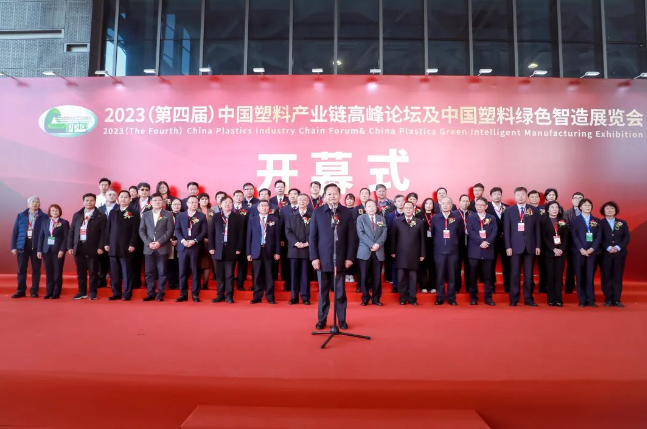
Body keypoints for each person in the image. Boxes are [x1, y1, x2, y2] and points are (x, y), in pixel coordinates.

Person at [310, 184, 357, 330]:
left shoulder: (346, 212)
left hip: (341, 258)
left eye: (335, 194)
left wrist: (349, 257)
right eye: (329, 194)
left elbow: (352, 237)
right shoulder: (318, 212)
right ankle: (322, 319)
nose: (332, 196)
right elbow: (312, 237)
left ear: (340, 195)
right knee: (323, 292)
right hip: (322, 259)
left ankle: (341, 319)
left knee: (340, 292)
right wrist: (314, 258)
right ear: (324, 196)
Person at [505, 187, 541, 307]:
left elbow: (537, 229)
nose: (520, 197)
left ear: (526, 196)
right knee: (514, 274)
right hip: (514, 247)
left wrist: (538, 245)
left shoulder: (533, 210)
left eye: (522, 195)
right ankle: (514, 299)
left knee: (529, 275)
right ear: (515, 196)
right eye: (518, 195)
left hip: (530, 246)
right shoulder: (509, 211)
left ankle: (528, 299)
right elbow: (507, 230)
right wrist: (508, 246)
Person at [67, 193, 107, 300]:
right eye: (87, 200)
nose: (89, 202)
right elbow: (71, 231)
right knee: (80, 272)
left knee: (93, 271)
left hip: (93, 247)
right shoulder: (77, 215)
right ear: (83, 202)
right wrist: (70, 246)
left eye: (91, 200)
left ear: (95, 202)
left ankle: (93, 292)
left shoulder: (101, 215)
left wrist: (100, 247)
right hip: (79, 246)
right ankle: (82, 292)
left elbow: (104, 233)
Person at [209, 196, 245, 303]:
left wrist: (238, 248)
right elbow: (211, 233)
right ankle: (220, 295)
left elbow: (241, 234)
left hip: (231, 249)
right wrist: (211, 247)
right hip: (218, 249)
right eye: (225, 202)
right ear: (220, 204)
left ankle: (229, 296)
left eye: (229, 202)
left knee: (229, 275)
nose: (227, 204)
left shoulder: (237, 217)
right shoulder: (216, 216)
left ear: (232, 204)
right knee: (219, 274)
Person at [105, 190, 139, 301]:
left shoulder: (134, 212)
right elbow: (108, 229)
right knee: (114, 272)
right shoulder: (113, 212)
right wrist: (106, 243)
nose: (123, 199)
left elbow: (135, 231)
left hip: (126, 246)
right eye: (121, 197)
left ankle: (127, 293)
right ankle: (116, 292)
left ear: (130, 199)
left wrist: (132, 244)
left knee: (126, 271)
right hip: (113, 246)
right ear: (118, 199)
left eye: (126, 197)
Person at [139, 193, 174, 301]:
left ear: (163, 202)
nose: (157, 202)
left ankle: (160, 293)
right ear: (150, 202)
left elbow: (170, 230)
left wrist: (159, 242)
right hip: (149, 248)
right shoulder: (145, 214)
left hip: (162, 247)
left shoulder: (168, 214)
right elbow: (141, 230)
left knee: (162, 272)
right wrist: (148, 243)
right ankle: (150, 293)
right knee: (149, 272)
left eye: (159, 200)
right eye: (155, 200)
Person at [390, 201, 426, 305]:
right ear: (403, 209)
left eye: (410, 208)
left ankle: (412, 298)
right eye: (406, 208)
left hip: (415, 254)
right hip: (400, 254)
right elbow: (393, 238)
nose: (408, 210)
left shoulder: (419, 222)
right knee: (401, 278)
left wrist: (422, 253)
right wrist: (392, 251)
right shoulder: (397, 221)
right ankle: (402, 298)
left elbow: (422, 239)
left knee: (413, 278)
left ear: (414, 208)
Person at [11, 196, 46, 298]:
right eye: (32, 202)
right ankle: (21, 290)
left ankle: (34, 291)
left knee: (36, 270)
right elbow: (15, 232)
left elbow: (46, 233)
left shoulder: (44, 216)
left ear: (39, 204)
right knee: (21, 269)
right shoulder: (21, 215)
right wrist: (13, 247)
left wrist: (43, 248)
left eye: (37, 202)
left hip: (37, 247)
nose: (35, 203)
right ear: (28, 204)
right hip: (23, 246)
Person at [431, 197, 464, 305]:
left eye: (447, 203)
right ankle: (440, 297)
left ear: (451, 205)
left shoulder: (457, 218)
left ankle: (451, 298)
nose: (445, 205)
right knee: (439, 275)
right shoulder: (435, 218)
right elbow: (433, 233)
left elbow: (460, 235)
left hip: (453, 252)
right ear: (440, 205)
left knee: (452, 276)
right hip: (439, 252)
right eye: (443, 203)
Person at [246, 200, 281, 304]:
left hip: (269, 251)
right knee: (257, 275)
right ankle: (257, 296)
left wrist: (277, 252)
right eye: (262, 206)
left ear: (269, 208)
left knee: (269, 275)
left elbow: (278, 237)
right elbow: (249, 237)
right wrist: (248, 253)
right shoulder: (252, 220)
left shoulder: (274, 220)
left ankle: (270, 297)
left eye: (266, 206)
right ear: (258, 208)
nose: (264, 208)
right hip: (256, 250)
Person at [175, 195, 207, 302]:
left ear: (198, 204)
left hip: (195, 247)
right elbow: (177, 230)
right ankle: (183, 295)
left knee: (195, 271)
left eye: (195, 202)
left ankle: (195, 295)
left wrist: (195, 241)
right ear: (187, 204)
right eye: (191, 202)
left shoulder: (201, 216)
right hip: (183, 247)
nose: (193, 204)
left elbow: (204, 231)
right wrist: (183, 241)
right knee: (182, 272)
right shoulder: (181, 215)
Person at [466, 197, 498, 305]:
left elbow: (494, 231)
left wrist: (487, 242)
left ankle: (488, 298)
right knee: (473, 276)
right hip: (474, 250)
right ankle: (473, 297)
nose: (479, 207)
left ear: (486, 206)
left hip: (488, 250)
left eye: (481, 205)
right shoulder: (471, 217)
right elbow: (470, 231)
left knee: (488, 276)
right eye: (477, 205)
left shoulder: (491, 217)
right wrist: (480, 242)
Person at [599, 201, 630, 308]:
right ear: (603, 211)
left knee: (617, 276)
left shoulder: (622, 223)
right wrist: (608, 248)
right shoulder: (600, 223)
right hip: (605, 254)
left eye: (612, 208)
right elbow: (599, 238)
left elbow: (626, 237)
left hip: (619, 254)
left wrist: (617, 247)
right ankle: (608, 299)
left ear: (615, 210)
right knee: (606, 276)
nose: (610, 210)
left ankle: (616, 300)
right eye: (607, 208)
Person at [571, 198, 601, 307]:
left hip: (592, 252)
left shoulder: (596, 220)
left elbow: (598, 236)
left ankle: (591, 299)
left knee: (590, 276)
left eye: (589, 205)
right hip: (579, 252)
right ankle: (582, 300)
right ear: (580, 207)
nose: (587, 207)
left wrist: (592, 249)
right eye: (585, 205)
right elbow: (574, 236)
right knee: (580, 276)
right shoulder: (575, 220)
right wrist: (581, 249)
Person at [356, 199, 387, 306]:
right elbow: (361, 233)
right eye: (369, 206)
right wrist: (372, 244)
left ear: (376, 207)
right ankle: (365, 298)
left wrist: (378, 244)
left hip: (378, 251)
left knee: (377, 277)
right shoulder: (361, 218)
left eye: (373, 206)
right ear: (365, 208)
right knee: (364, 276)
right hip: (365, 251)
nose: (371, 208)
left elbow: (384, 233)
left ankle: (376, 298)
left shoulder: (381, 219)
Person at [284, 193, 312, 305]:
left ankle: (305, 297)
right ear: (296, 201)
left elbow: (314, 231)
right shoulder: (291, 216)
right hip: (294, 250)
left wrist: (307, 243)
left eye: (304, 200)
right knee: (294, 274)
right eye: (300, 200)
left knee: (305, 274)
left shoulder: (312, 215)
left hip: (307, 249)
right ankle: (294, 297)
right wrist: (296, 243)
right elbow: (288, 231)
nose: (301, 202)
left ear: (307, 202)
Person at [540, 201, 569, 307]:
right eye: (552, 207)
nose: (554, 209)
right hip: (549, 253)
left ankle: (559, 299)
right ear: (548, 209)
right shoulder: (543, 221)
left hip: (561, 253)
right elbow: (544, 238)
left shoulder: (562, 221)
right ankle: (551, 299)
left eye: (556, 207)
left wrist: (561, 249)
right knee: (550, 276)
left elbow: (566, 237)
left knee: (559, 276)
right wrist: (553, 249)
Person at [36, 204, 69, 299]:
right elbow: (41, 237)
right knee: (49, 272)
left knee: (57, 272)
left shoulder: (64, 222)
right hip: (46, 250)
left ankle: (56, 292)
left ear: (60, 211)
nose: (55, 212)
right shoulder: (45, 222)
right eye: (53, 210)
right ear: (50, 212)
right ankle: (49, 292)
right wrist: (39, 250)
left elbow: (66, 238)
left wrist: (62, 250)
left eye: (57, 210)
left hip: (58, 251)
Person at [129, 182, 152, 290]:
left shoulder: (153, 201)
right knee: (135, 259)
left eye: (146, 190)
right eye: (142, 189)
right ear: (138, 191)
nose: (144, 191)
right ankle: (136, 281)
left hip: (149, 234)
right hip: (135, 234)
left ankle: (149, 282)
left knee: (149, 259)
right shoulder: (132, 202)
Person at [486, 187, 509, 293]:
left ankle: (508, 286)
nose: (497, 196)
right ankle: (491, 286)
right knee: (491, 264)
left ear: (501, 195)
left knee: (507, 264)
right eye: (494, 194)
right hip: (492, 241)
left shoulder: (507, 208)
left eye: (499, 194)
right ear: (490, 196)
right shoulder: (486, 207)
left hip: (505, 240)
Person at [563, 191, 584, 294]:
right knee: (571, 266)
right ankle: (569, 287)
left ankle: (582, 287)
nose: (578, 200)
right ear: (572, 200)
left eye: (580, 198)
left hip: (584, 244)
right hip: (570, 243)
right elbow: (565, 227)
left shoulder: (587, 211)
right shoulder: (567, 212)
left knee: (583, 266)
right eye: (576, 198)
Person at [385, 194, 405, 291]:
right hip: (394, 244)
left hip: (406, 245)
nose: (401, 203)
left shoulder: (408, 214)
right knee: (395, 265)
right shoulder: (390, 215)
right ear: (395, 203)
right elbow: (388, 231)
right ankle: (395, 285)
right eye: (399, 201)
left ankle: (404, 286)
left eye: (402, 201)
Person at [97, 188, 117, 288]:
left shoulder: (119, 208)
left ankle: (114, 282)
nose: (112, 196)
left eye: (114, 195)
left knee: (114, 262)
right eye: (109, 195)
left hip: (115, 237)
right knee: (102, 260)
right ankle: (101, 280)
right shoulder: (99, 209)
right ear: (105, 196)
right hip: (102, 236)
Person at [232, 190, 250, 290]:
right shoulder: (229, 208)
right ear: (233, 197)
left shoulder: (247, 210)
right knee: (230, 263)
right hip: (230, 241)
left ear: (243, 198)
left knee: (242, 263)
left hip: (243, 239)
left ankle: (240, 283)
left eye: (240, 196)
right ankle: (230, 283)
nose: (239, 198)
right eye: (237, 196)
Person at [417, 197, 436, 294]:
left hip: (435, 244)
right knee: (423, 266)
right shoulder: (418, 215)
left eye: (431, 203)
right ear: (424, 204)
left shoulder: (437, 215)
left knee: (433, 266)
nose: (429, 205)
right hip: (423, 244)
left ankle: (433, 286)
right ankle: (423, 286)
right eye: (427, 203)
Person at [455, 194, 472, 293]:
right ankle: (456, 287)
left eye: (467, 201)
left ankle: (469, 287)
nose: (465, 203)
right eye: (463, 201)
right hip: (457, 244)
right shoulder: (453, 214)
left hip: (470, 244)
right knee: (456, 266)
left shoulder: (473, 214)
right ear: (459, 202)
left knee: (469, 267)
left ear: (469, 203)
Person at [197, 192, 214, 290]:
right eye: (202, 199)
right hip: (197, 240)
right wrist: (202, 238)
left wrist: (210, 238)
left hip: (210, 240)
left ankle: (205, 284)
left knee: (207, 263)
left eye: (206, 199)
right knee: (197, 262)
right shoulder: (195, 211)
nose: (204, 200)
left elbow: (215, 227)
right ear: (199, 201)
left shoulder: (212, 212)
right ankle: (197, 283)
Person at [167, 199, 182, 289]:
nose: (176, 206)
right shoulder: (167, 215)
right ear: (171, 205)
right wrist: (169, 240)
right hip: (169, 241)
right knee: (170, 263)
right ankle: (171, 283)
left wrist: (179, 240)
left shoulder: (184, 215)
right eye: (174, 204)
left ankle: (178, 283)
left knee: (179, 263)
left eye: (178, 204)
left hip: (181, 241)